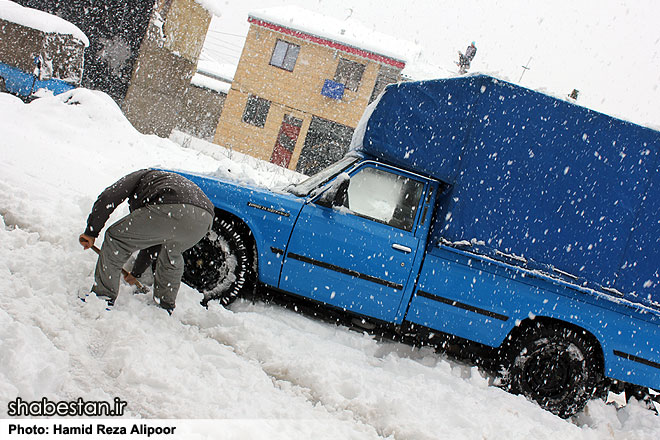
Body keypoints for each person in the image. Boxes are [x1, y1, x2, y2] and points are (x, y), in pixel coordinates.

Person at [79, 169, 214, 313]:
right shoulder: (163, 181)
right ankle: (164, 305)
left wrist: (91, 232)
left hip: (172, 205)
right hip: (204, 218)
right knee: (172, 255)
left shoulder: (140, 176)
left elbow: (108, 197)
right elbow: (154, 240)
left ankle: (102, 297)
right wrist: (136, 273)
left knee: (116, 238)